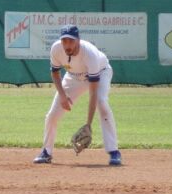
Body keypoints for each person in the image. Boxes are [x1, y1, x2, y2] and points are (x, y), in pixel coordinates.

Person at [33, 24, 121, 165]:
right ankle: (46, 152)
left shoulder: (90, 54)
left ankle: (114, 151)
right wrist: (62, 96)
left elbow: (92, 92)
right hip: (73, 76)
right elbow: (55, 72)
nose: (67, 44)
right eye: (64, 41)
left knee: (101, 102)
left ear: (78, 40)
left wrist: (88, 124)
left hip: (101, 72)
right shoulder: (56, 49)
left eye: (71, 41)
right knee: (52, 114)